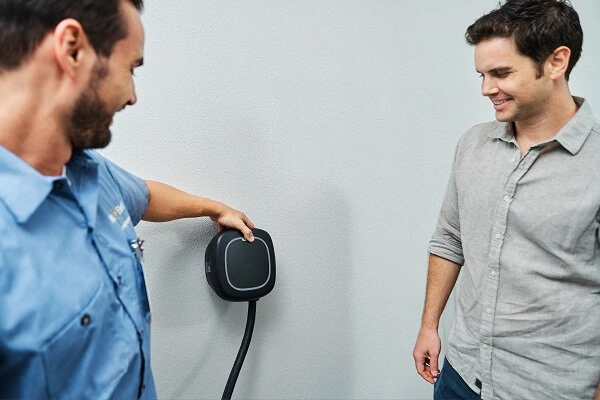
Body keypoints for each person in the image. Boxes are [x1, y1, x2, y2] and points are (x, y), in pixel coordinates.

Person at [0, 0, 256, 398]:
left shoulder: (91, 171)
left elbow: (145, 195)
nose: (133, 96)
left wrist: (213, 207)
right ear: (72, 49)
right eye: (131, 68)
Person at [412, 0, 600, 399]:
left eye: (501, 73)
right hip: (460, 375)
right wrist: (430, 325)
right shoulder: (473, 145)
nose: (486, 89)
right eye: (482, 74)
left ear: (556, 62)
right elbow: (449, 238)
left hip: (550, 389)